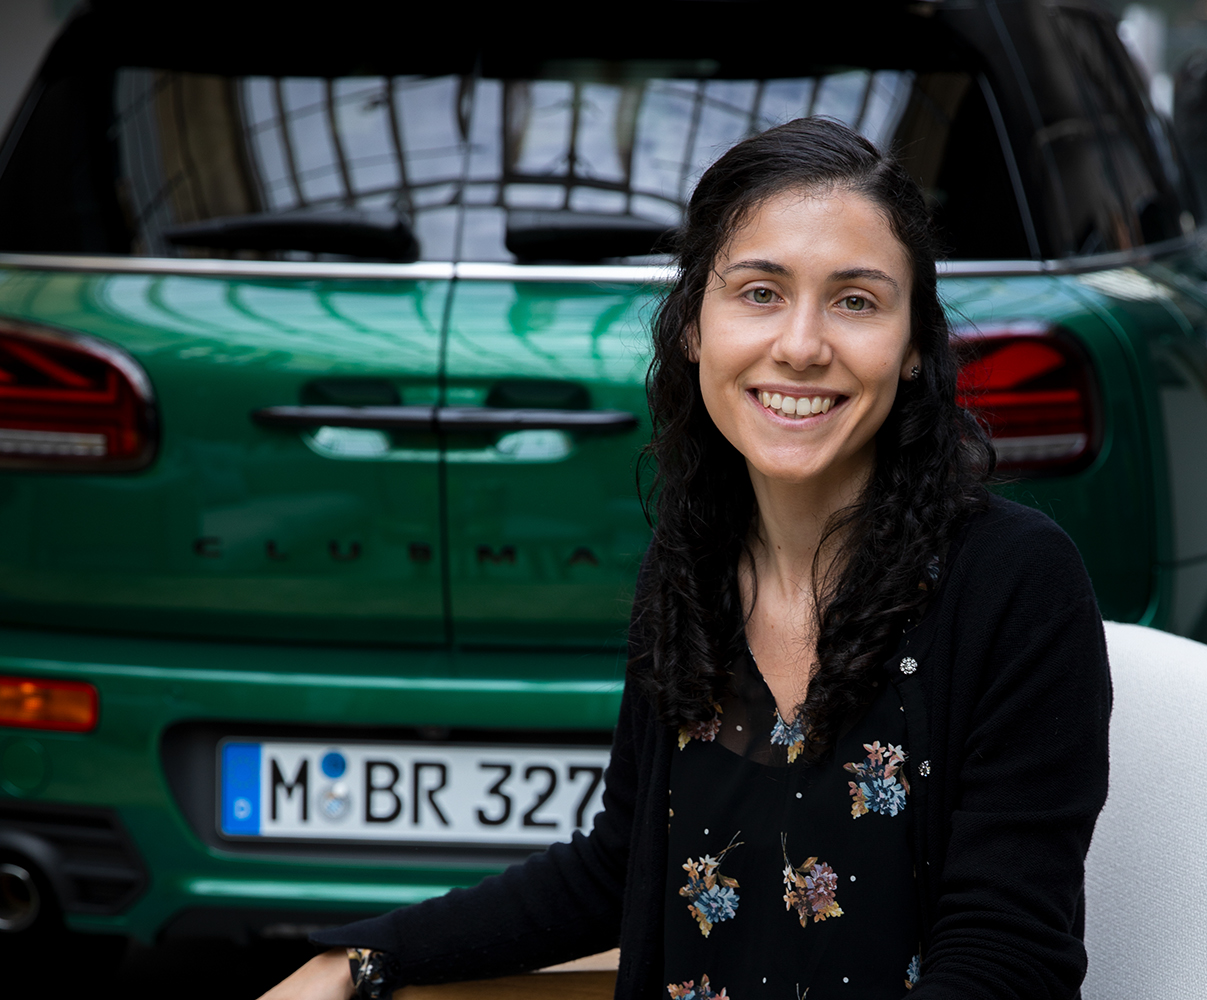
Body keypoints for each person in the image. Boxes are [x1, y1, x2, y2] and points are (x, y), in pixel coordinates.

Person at [259, 118, 1112, 1000]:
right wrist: (363, 957)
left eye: (856, 301)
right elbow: (618, 866)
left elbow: (1006, 959)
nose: (801, 345)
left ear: (914, 349)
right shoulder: (693, 567)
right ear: (694, 328)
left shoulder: (1014, 583)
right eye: (759, 293)